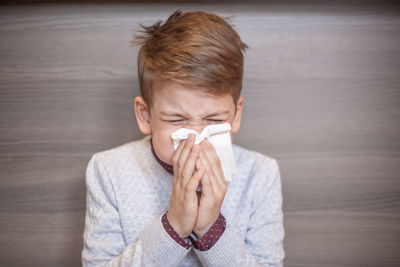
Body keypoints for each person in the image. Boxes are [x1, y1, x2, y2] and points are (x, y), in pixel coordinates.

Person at [81, 9, 285, 267]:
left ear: (236, 115)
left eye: (213, 120)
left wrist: (211, 229)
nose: (197, 139)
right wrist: (173, 226)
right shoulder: (108, 171)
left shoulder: (260, 175)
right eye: (177, 120)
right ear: (145, 116)